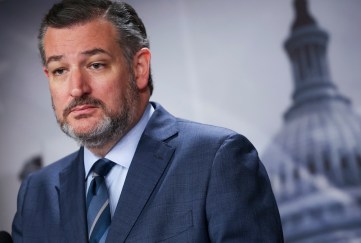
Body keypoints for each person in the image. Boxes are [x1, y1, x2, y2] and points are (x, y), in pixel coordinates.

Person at [12, 0, 283, 242]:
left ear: (139, 68)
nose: (77, 88)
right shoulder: (36, 193)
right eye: (60, 70)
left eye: (96, 64)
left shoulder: (218, 160)